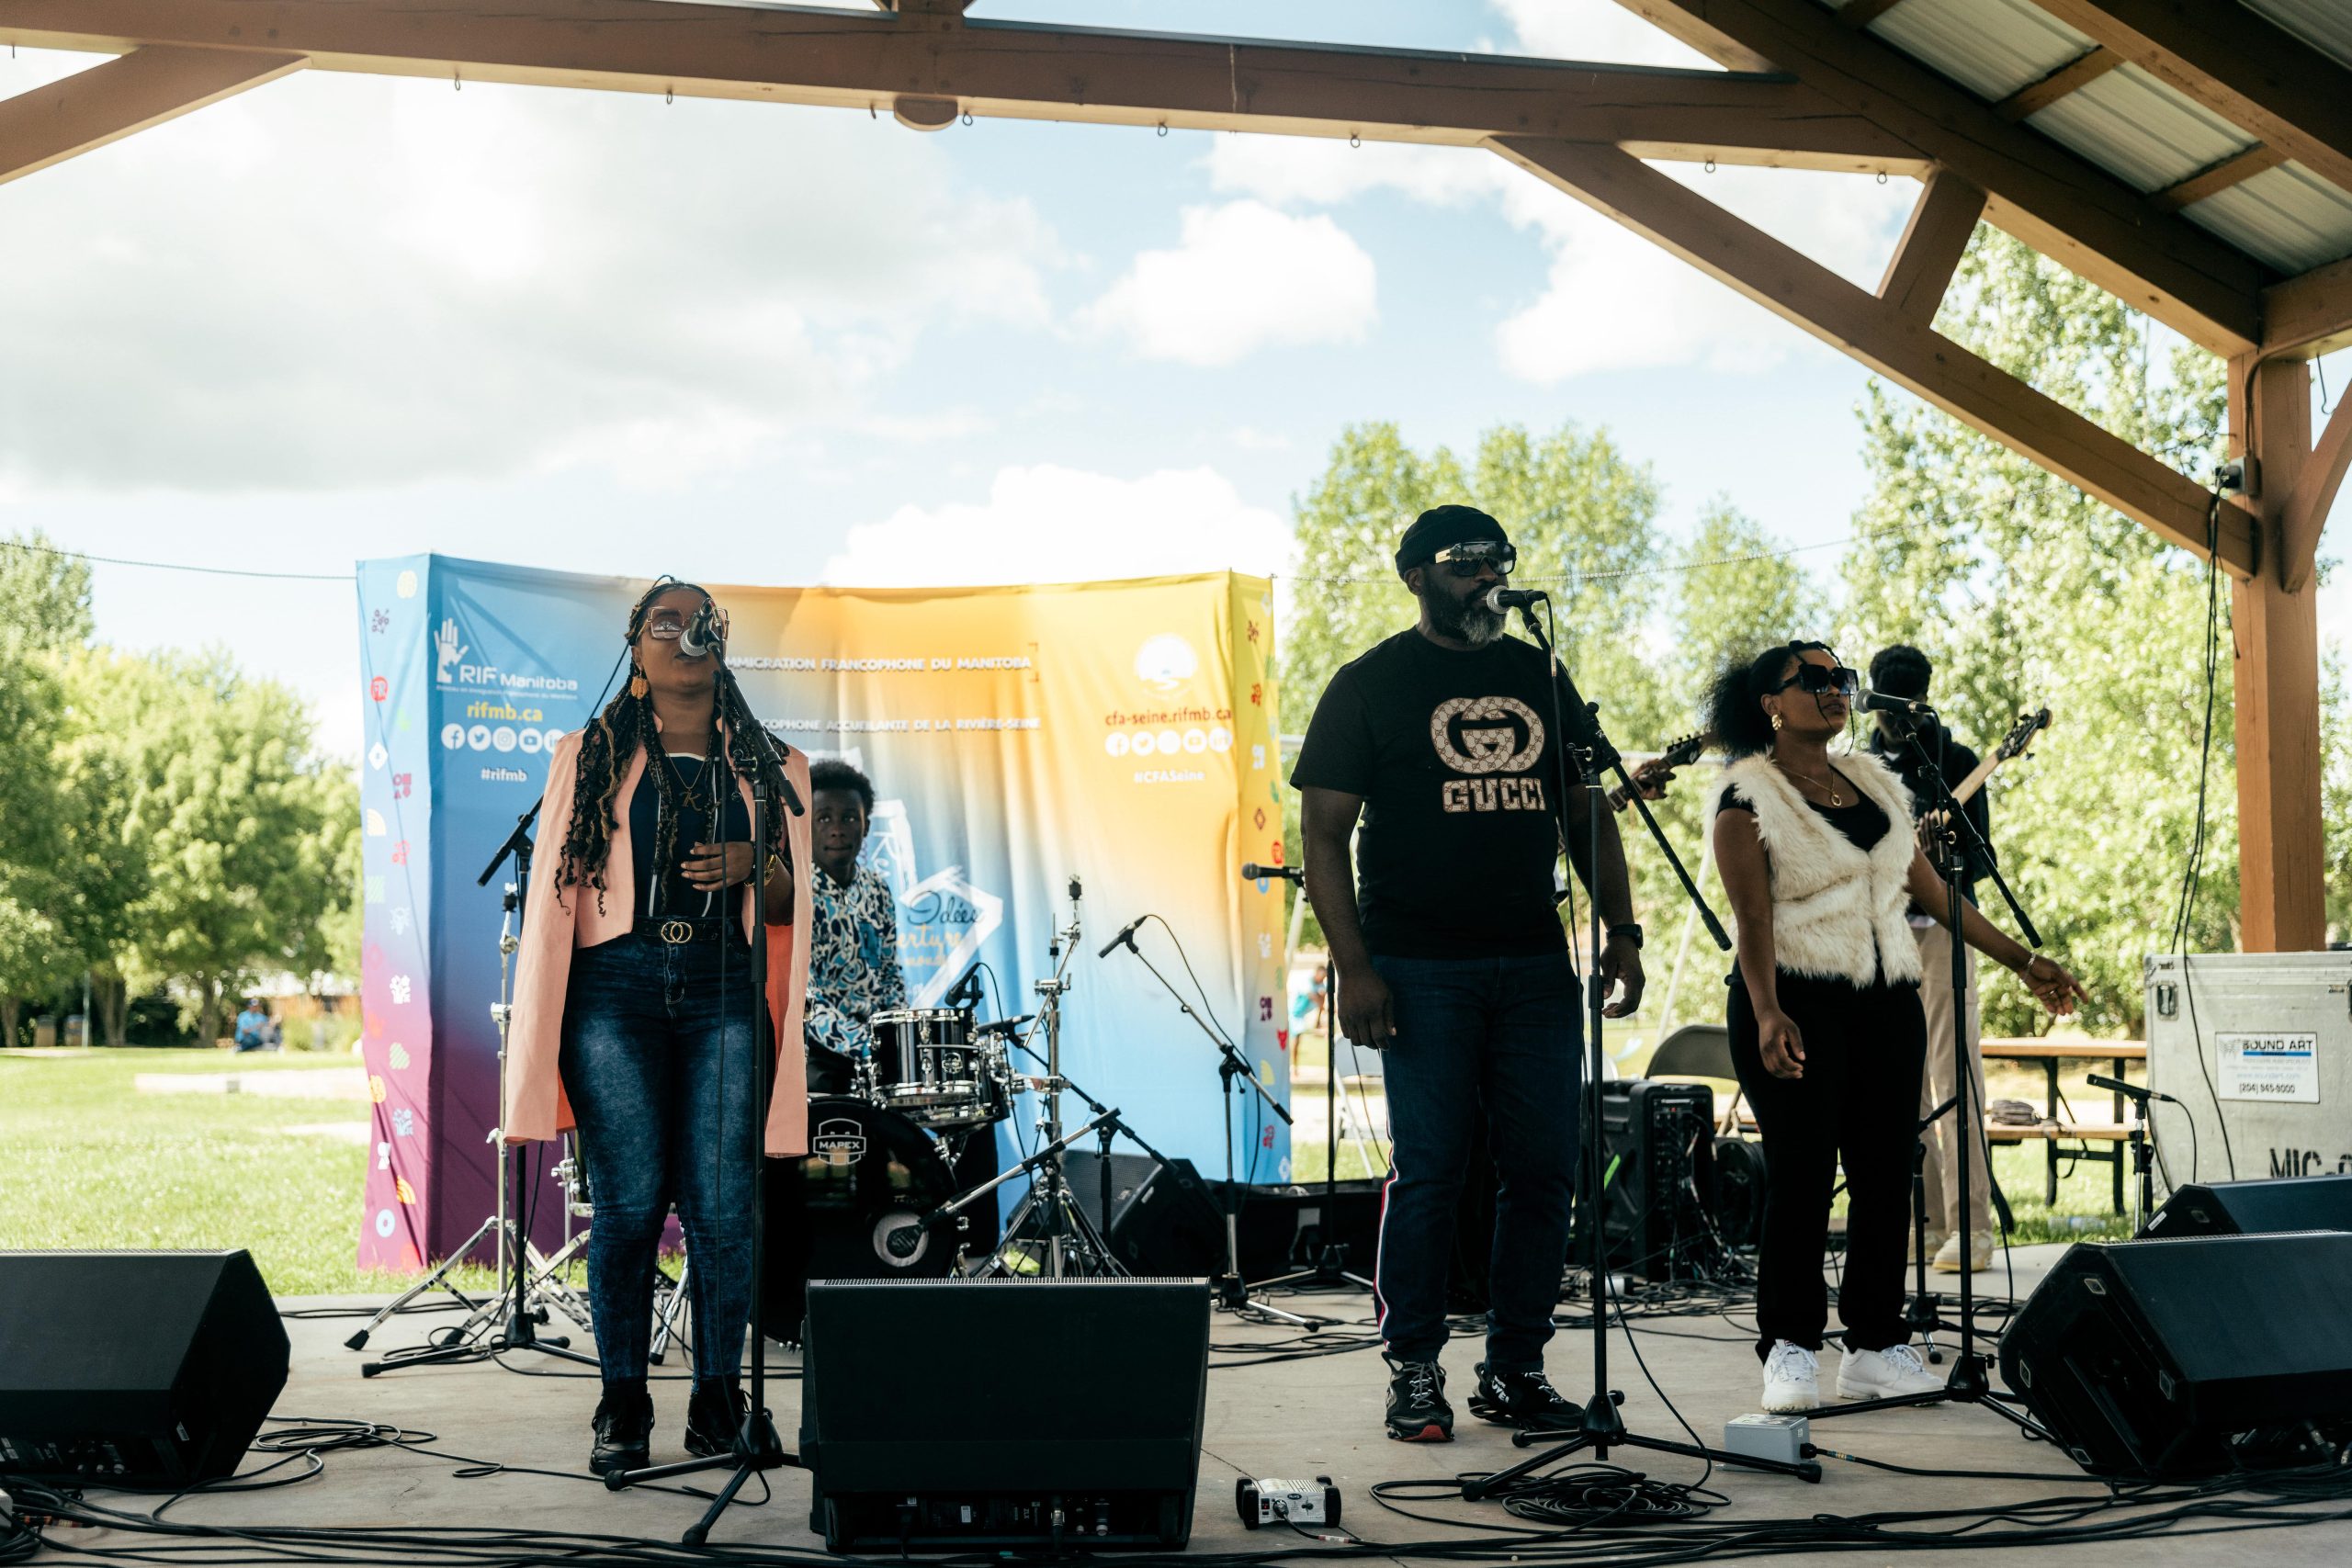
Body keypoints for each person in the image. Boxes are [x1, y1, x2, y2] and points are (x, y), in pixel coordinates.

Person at [1294, 503, 1645, 1443]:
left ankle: (1516, 1366)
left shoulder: (1539, 673)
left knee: (1544, 1170)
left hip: (1534, 962)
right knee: (1432, 1170)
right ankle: (1413, 1366)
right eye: (1463, 561)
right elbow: (1323, 836)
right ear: (1414, 576)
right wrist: (1354, 966)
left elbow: (1585, 808)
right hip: (1418, 965)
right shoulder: (1368, 683)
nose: (1488, 575)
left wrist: (1623, 927)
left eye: (1499, 559)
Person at [1706, 640, 2083, 1413]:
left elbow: (1935, 892)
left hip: (1887, 999)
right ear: (1770, 704)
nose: (1834, 689)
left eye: (1840, 677)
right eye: (1812, 679)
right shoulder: (1747, 796)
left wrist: (2023, 960)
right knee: (1804, 1174)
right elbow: (1752, 920)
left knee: (1885, 1173)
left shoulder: (1874, 783)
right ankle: (1789, 1346)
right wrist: (1769, 1009)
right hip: (1795, 998)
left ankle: (1874, 1345)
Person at [503, 580, 814, 1476]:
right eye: (663, 622)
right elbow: (556, 902)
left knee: (721, 1210)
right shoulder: (590, 754)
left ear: (723, 641)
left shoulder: (769, 764)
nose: (684, 635)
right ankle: (622, 1401)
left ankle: (718, 1401)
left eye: (699, 622)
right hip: (616, 989)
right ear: (634, 646)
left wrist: (756, 863)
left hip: (722, 987)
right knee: (632, 1205)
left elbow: (789, 905)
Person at [1865, 644, 1997, 1274]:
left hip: (1943, 931)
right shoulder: (1857, 768)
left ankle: (1971, 1229)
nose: (1897, 719)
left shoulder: (1957, 762)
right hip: (1880, 935)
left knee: (1954, 1074)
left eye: (1908, 704)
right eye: (1886, 705)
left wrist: (1944, 859)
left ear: (1924, 698)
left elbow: (1982, 859)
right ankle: (1923, 1221)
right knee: (1900, 1080)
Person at [802, 759, 906, 1086]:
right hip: (817, 1054)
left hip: (878, 1050)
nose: (837, 829)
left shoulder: (877, 889)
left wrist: (900, 1033)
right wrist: (865, 1046)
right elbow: (803, 997)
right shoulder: (793, 892)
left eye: (849, 817)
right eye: (824, 818)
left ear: (866, 826)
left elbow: (889, 973)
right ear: (805, 826)